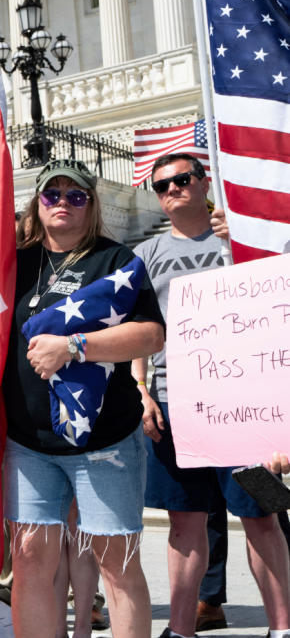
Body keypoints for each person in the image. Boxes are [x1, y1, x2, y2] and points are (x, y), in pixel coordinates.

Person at [3, 159, 166, 638]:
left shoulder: (117, 262)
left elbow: (151, 335)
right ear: (38, 203)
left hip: (104, 443)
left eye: (75, 196)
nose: (63, 204)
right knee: (31, 561)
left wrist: (75, 347)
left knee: (117, 563)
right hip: (27, 442)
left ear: (91, 205)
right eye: (52, 195)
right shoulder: (15, 263)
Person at [134, 152, 290, 638]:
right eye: (162, 186)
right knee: (185, 524)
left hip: (247, 411)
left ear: (204, 184)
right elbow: (140, 330)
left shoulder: (247, 237)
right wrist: (141, 391)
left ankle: (283, 627)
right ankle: (179, 630)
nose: (172, 190)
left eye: (182, 180)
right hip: (175, 412)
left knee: (261, 518)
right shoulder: (145, 256)